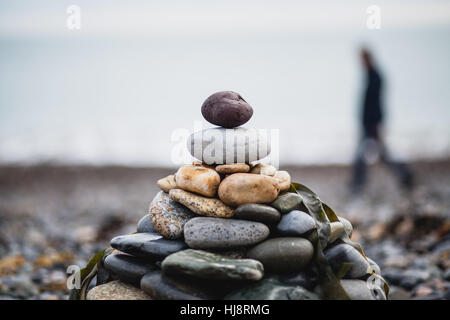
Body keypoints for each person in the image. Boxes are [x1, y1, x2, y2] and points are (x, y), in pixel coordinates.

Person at [350, 48, 413, 193]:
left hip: (372, 125)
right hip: (369, 124)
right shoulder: (370, 76)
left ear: (368, 59)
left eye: (362, 59)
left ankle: (358, 184)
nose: (361, 63)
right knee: (382, 155)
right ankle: (405, 175)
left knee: (366, 156)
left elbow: (376, 103)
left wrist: (375, 125)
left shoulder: (375, 77)